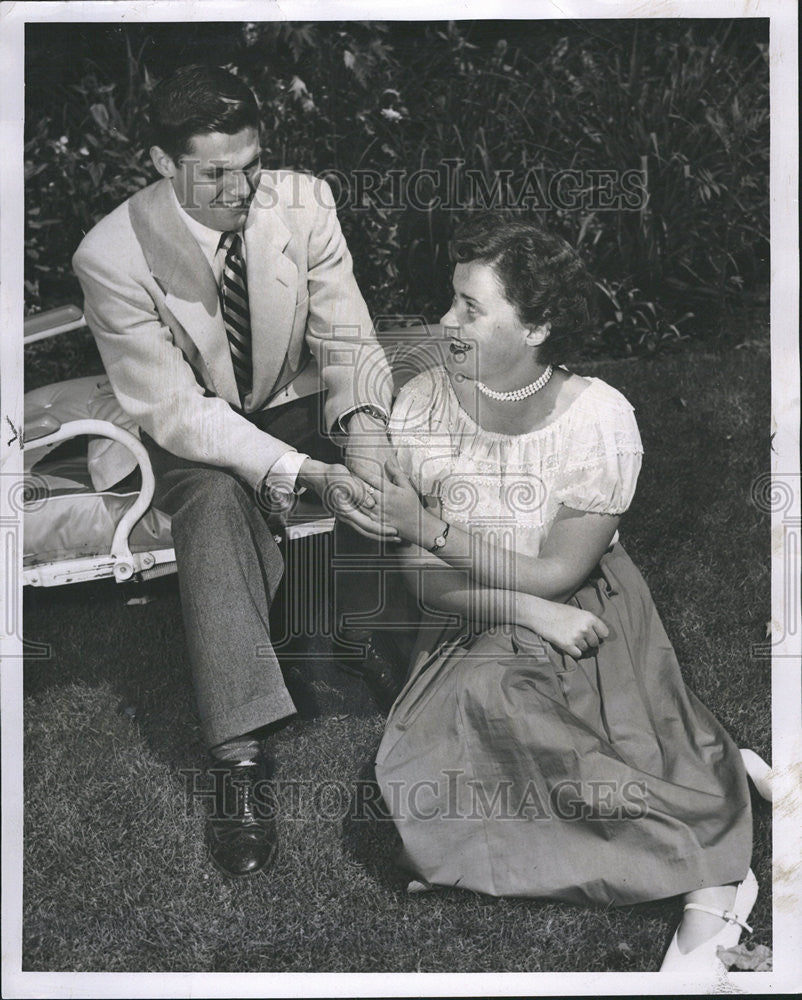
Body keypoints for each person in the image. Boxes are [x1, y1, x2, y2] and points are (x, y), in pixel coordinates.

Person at [367, 215, 769, 974]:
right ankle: (680, 827)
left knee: (531, 723)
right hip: (470, 608)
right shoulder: (420, 405)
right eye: (450, 301)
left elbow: (560, 571)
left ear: (539, 327)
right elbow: (422, 576)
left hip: (589, 603)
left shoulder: (601, 420)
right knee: (487, 706)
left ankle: (710, 865)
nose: (444, 324)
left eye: (470, 309)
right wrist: (523, 613)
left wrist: (438, 532)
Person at [72, 64, 397, 878]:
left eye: (250, 164)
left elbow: (349, 341)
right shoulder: (110, 255)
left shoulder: (304, 202)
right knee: (218, 500)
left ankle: (377, 644)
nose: (240, 186)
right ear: (158, 162)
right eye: (214, 172)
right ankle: (240, 759)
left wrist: (364, 436)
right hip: (172, 428)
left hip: (279, 396)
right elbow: (180, 412)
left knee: (392, 443)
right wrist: (296, 470)